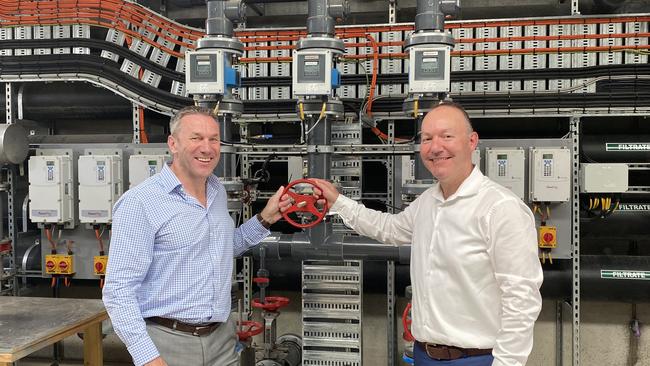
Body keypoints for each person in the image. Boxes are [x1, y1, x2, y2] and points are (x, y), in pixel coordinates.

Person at [312, 102, 543, 366]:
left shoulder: (500, 209)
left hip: (478, 359)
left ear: (472, 141)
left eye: (447, 136)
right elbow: (389, 228)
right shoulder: (428, 202)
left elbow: (521, 300)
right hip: (423, 355)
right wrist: (338, 202)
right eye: (426, 138)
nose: (435, 147)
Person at [103, 106, 291, 366]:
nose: (207, 147)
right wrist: (148, 356)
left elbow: (222, 248)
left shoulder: (216, 192)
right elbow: (118, 291)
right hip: (168, 342)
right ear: (173, 144)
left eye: (213, 139)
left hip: (222, 339)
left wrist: (265, 218)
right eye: (196, 138)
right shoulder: (141, 203)